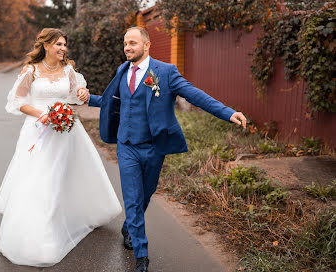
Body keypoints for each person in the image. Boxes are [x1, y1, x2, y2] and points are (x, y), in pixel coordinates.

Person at [82, 26, 247, 272]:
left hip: (153, 148)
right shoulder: (122, 70)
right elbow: (113, 101)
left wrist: (227, 112)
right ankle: (142, 257)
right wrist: (87, 98)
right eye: (125, 43)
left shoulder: (166, 72)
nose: (127, 47)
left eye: (133, 43)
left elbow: (195, 95)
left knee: (145, 195)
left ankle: (129, 227)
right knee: (133, 199)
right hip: (126, 146)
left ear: (147, 45)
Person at [0, 28, 122, 267]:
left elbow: (76, 95)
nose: (63, 49)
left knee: (67, 175)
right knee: (42, 178)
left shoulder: (69, 70)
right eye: (59, 44)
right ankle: (42, 233)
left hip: (67, 130)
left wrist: (83, 92)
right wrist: (45, 115)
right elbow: (18, 102)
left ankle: (72, 214)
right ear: (46, 45)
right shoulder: (30, 71)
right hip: (38, 130)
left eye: (64, 45)